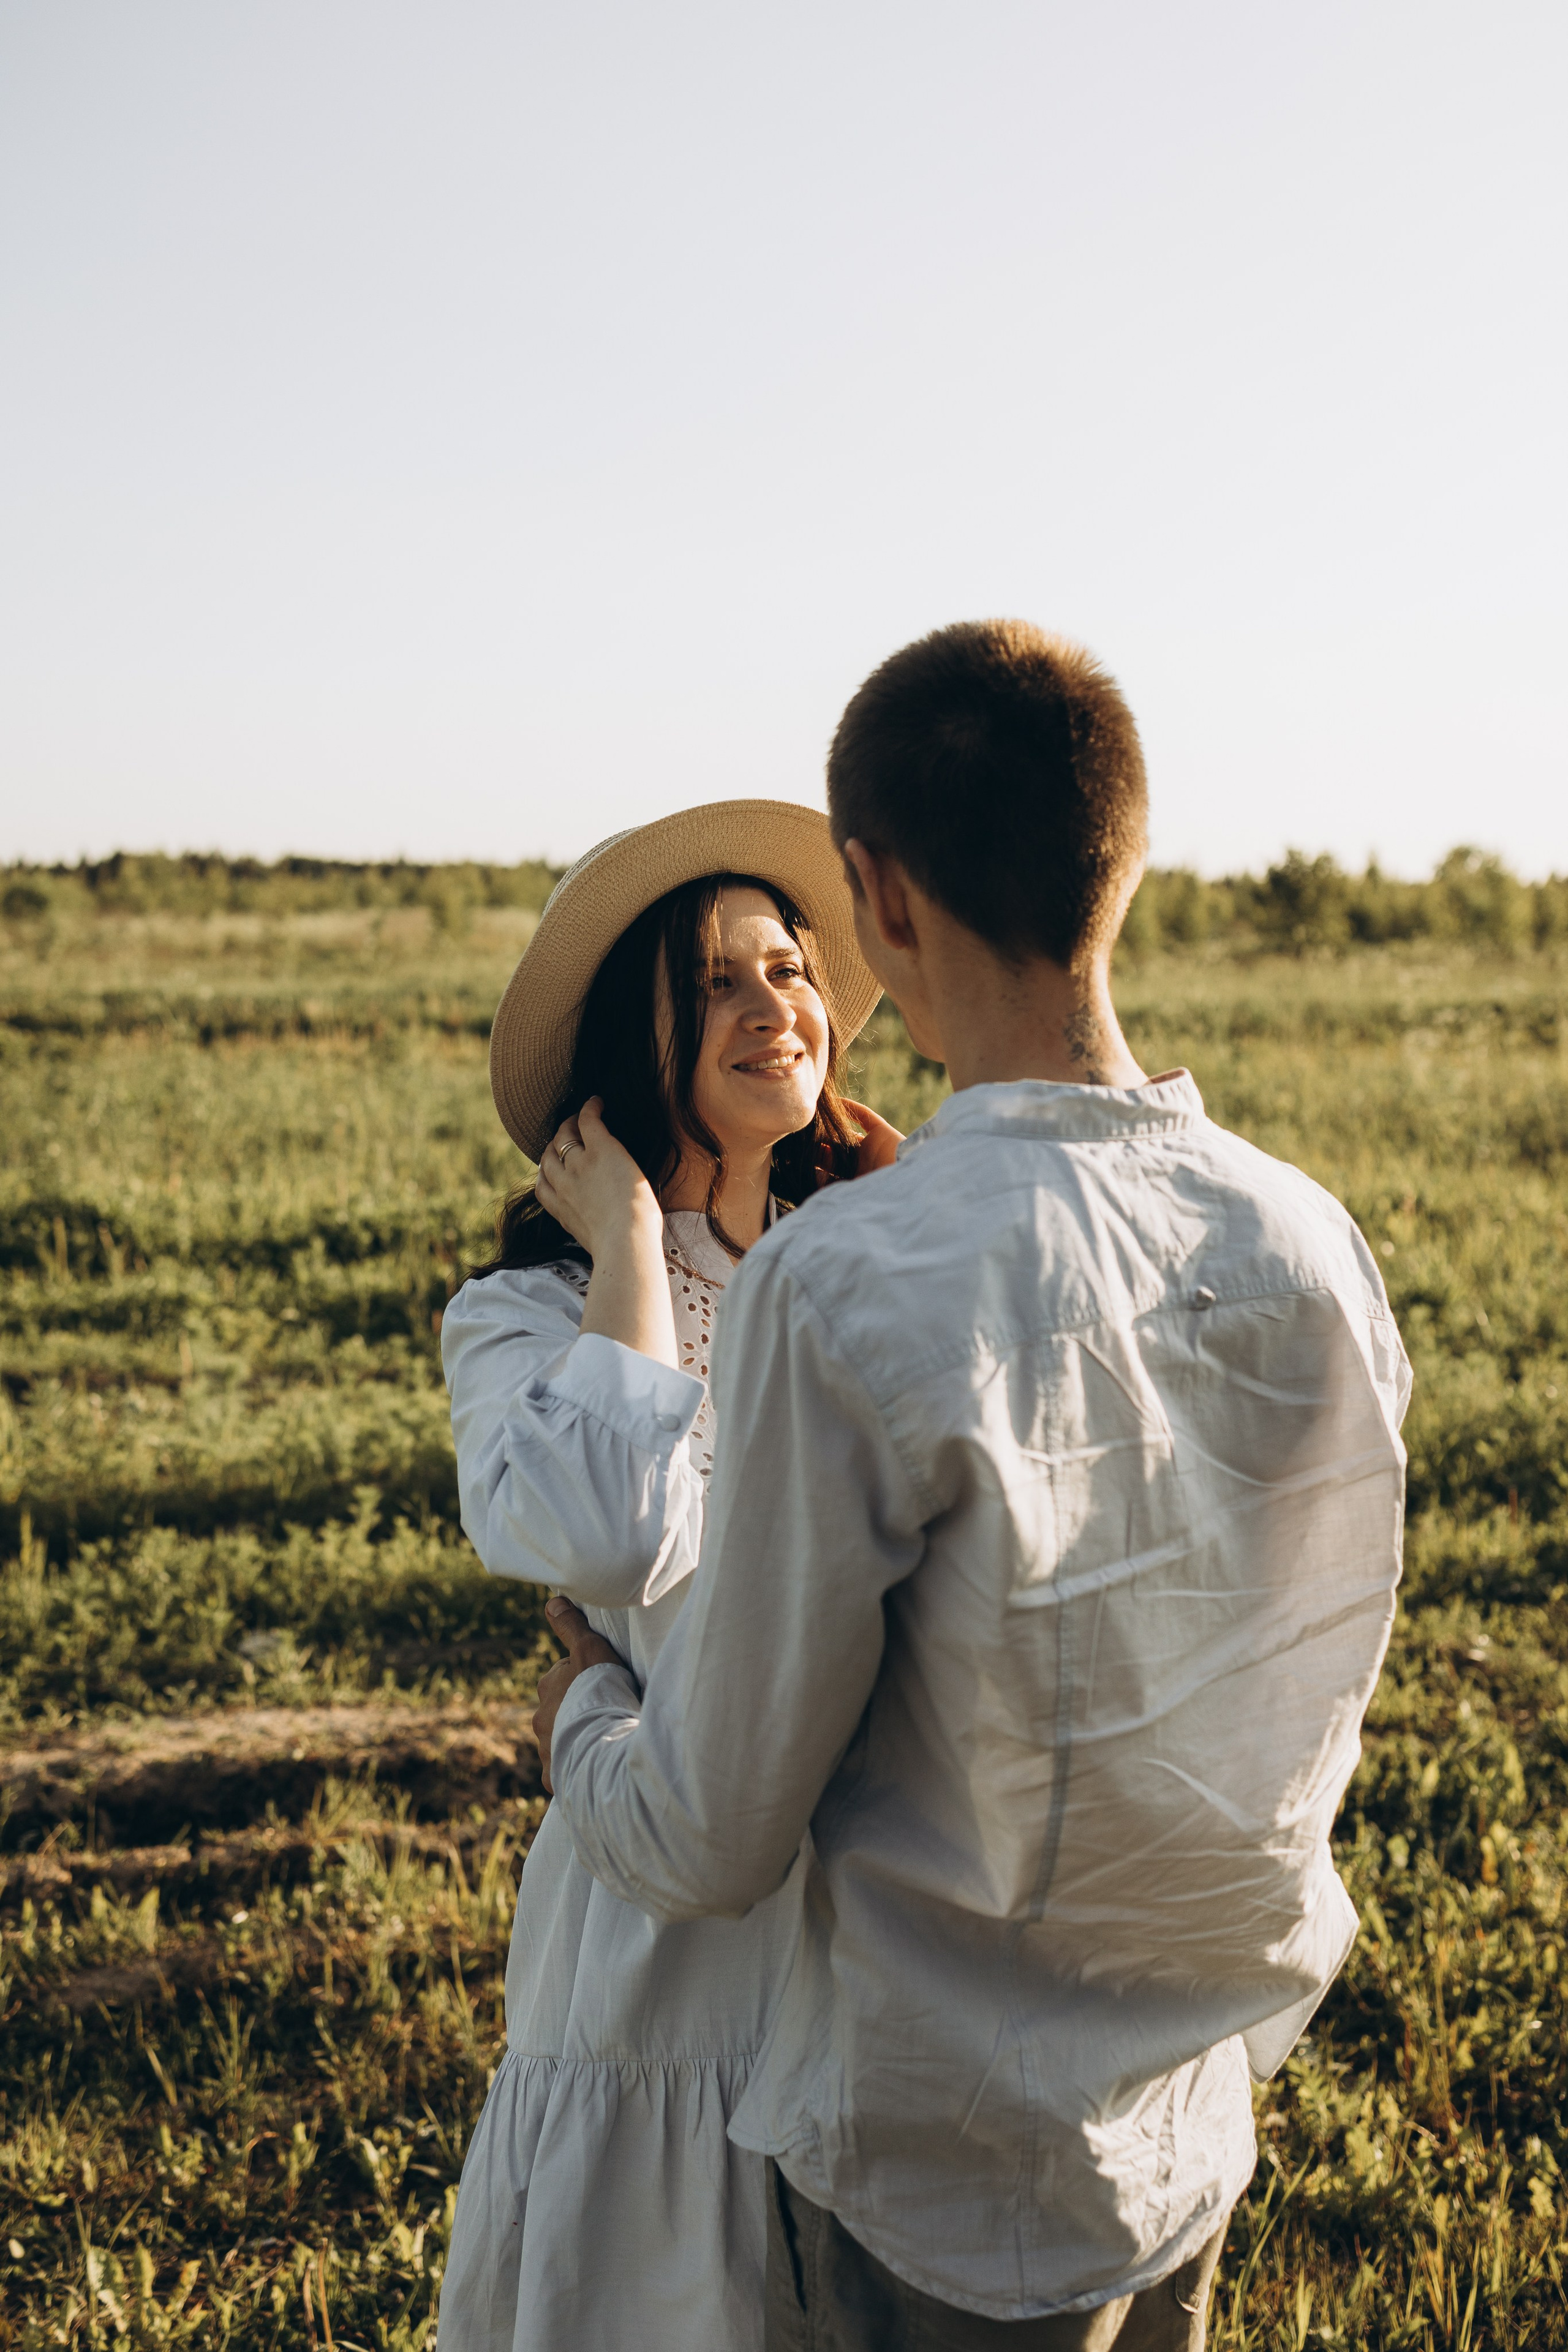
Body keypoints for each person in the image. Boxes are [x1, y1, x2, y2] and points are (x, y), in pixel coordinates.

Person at [532, 622, 1411, 2350]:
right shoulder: (1314, 1248)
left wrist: (580, 1720)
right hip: (1185, 2142)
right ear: (1120, 867)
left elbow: (713, 1830)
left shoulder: (850, 1281)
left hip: (929, 2175)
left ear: (880, 894)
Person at [435, 799, 895, 2352]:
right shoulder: (524, 1314)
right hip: (661, 1963)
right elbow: (613, 1533)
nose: (777, 1007)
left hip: (871, 1935)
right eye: (716, 983)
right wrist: (633, 1235)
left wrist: (917, 1215)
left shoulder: (857, 1268)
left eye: (792, 968)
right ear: (635, 1035)